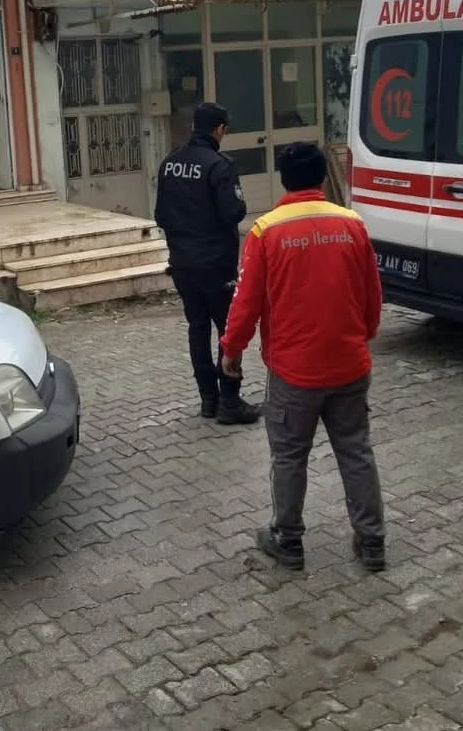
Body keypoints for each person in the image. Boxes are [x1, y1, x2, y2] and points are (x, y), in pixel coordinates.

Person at [221, 141, 386, 572]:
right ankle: (372, 542)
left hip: (294, 373)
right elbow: (372, 294)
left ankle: (288, 539)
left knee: (289, 456)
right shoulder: (351, 224)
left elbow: (246, 302)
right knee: (356, 451)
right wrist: (362, 336)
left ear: (283, 179)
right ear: (321, 178)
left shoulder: (266, 231)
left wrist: (231, 350)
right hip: (349, 364)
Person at [155, 102, 260, 425]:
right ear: (220, 129)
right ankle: (230, 400)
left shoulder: (169, 163)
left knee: (197, 327)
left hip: (183, 264)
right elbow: (233, 212)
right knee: (229, 330)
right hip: (216, 265)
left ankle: (208, 400)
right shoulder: (220, 165)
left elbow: (160, 215)